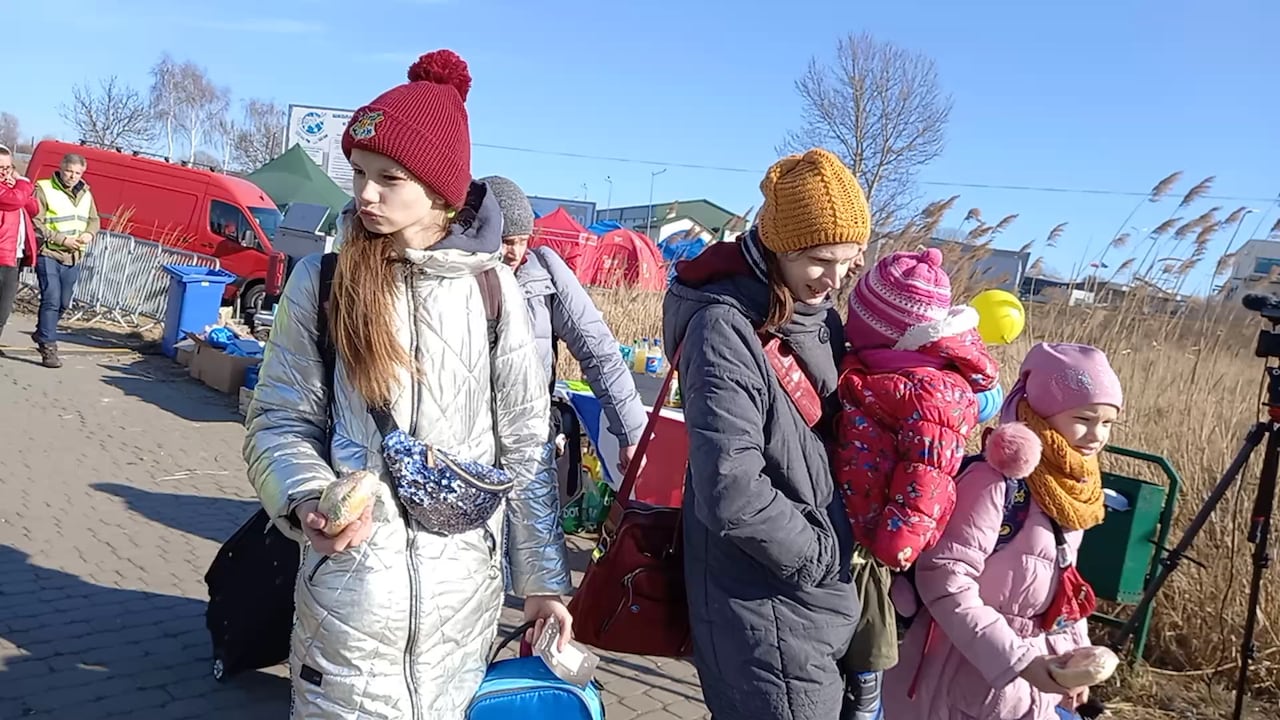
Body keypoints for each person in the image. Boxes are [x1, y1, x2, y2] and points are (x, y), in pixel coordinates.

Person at [244, 49, 572, 720]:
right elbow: (278, 420)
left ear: (441, 192)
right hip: (349, 602)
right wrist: (306, 497)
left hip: (463, 607)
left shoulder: (495, 292)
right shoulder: (322, 282)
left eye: (388, 177)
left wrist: (542, 580)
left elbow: (527, 443)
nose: (364, 194)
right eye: (359, 173)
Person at [662, 147, 869, 720]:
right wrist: (821, 556)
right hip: (764, 597)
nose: (834, 279)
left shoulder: (814, 314)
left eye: (848, 261)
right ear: (780, 246)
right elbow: (731, 486)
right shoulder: (724, 328)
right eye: (819, 260)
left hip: (807, 594)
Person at [883, 342, 1122, 720]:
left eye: (1107, 423)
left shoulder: (1070, 492)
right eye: (1085, 418)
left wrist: (1073, 661)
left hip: (1031, 682)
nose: (1097, 435)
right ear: (1041, 411)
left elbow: (1062, 590)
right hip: (959, 678)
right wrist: (1018, 662)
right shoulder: (996, 481)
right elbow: (945, 579)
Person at [834, 247, 1000, 719]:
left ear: (884, 329)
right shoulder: (882, 368)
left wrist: (898, 541)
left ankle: (866, 701)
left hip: (880, 539)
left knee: (869, 636)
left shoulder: (930, 390)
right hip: (855, 518)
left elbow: (928, 473)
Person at [480, 175, 646, 480]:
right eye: (506, 240)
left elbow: (598, 350)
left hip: (530, 441)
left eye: (522, 240)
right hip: (469, 441)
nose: (515, 252)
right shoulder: (452, 278)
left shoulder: (544, 273)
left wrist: (632, 431)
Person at [31, 152, 99, 368]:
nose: (72, 176)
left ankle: (42, 332)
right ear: (61, 168)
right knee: (51, 299)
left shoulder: (86, 193)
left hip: (73, 256)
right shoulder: (44, 189)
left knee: (63, 303)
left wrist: (89, 234)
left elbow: (94, 220)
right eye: (69, 171)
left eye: (77, 173)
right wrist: (62, 239)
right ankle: (48, 347)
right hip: (49, 252)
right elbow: (36, 222)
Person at [0, 146, 38, 352]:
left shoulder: (13, 188)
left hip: (14, 255)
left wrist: (17, 185)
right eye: (1, 168)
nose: (5, 172)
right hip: (2, 252)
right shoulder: (10, 192)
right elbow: (14, 200)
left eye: (8, 167)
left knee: (4, 307)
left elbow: (33, 208)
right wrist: (22, 182)